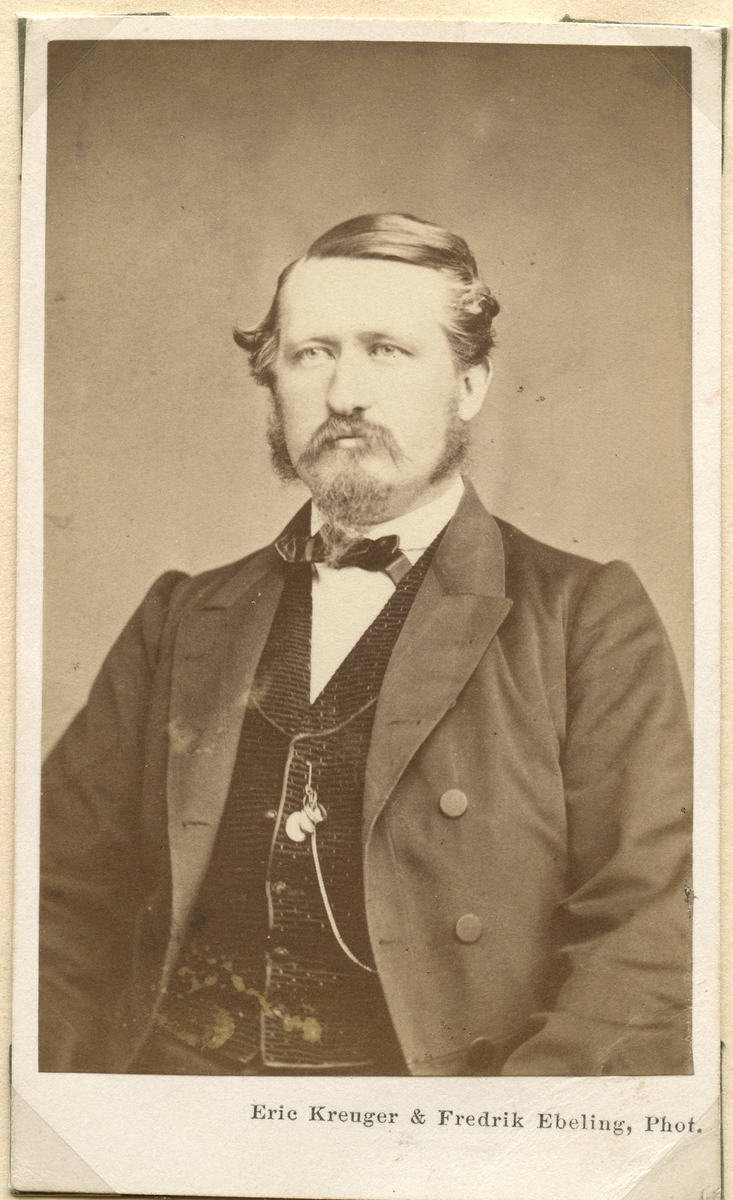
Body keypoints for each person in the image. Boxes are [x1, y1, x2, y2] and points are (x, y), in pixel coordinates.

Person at [39, 213, 692, 1078]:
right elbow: (52, 903)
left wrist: (507, 1137)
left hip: (431, 1122)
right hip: (170, 1107)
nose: (345, 394)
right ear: (273, 382)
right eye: (311, 353)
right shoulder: (181, 616)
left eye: (386, 350)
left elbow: (651, 931)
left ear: (468, 384)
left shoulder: (583, 617)